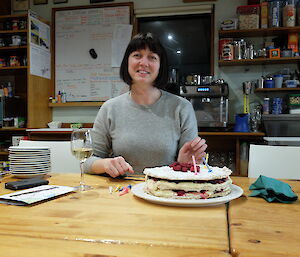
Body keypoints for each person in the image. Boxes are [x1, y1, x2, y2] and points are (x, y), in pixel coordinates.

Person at [84, 32, 207, 177]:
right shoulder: (109, 108)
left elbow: (193, 164)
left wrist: (184, 165)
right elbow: (87, 162)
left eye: (152, 57)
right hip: (122, 193)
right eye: (137, 55)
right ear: (127, 62)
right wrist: (105, 164)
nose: (144, 63)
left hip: (167, 192)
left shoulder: (181, 107)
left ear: (161, 66)